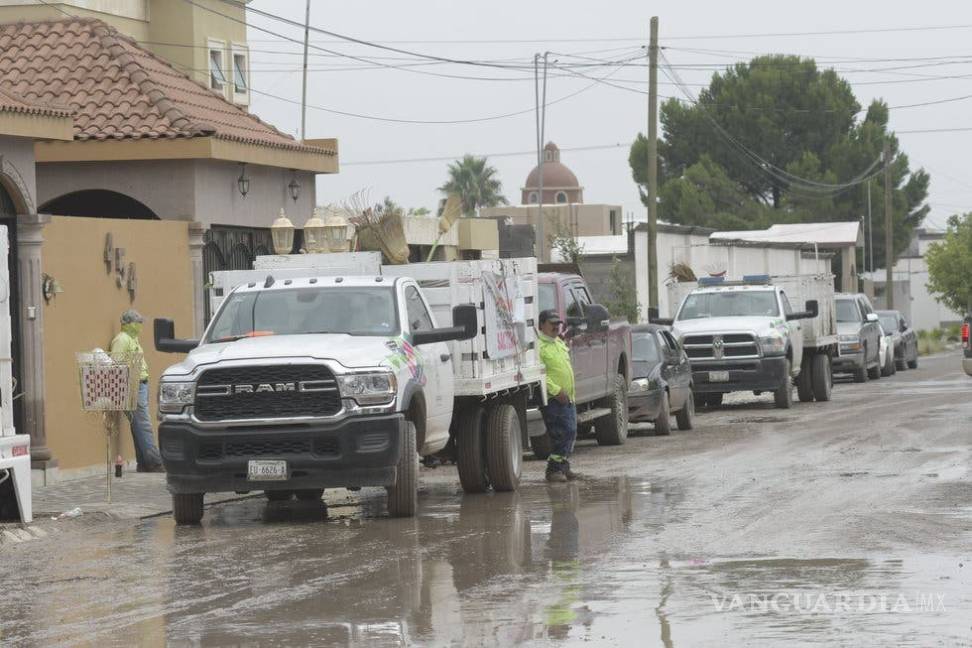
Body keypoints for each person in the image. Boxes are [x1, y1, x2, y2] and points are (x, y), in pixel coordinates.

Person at [110, 309, 164, 473]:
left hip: (140, 384)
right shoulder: (122, 339)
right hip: (132, 384)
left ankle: (143, 463)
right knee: (144, 424)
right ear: (129, 323)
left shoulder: (133, 339)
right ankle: (155, 462)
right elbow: (116, 363)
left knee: (138, 425)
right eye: (138, 322)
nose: (141, 325)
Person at [537, 309, 578, 483]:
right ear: (541, 325)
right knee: (562, 433)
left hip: (568, 398)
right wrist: (556, 391)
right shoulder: (539, 347)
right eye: (552, 323)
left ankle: (563, 466)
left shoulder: (558, 342)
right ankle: (553, 470)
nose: (556, 327)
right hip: (554, 399)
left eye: (557, 324)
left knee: (571, 432)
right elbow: (540, 375)